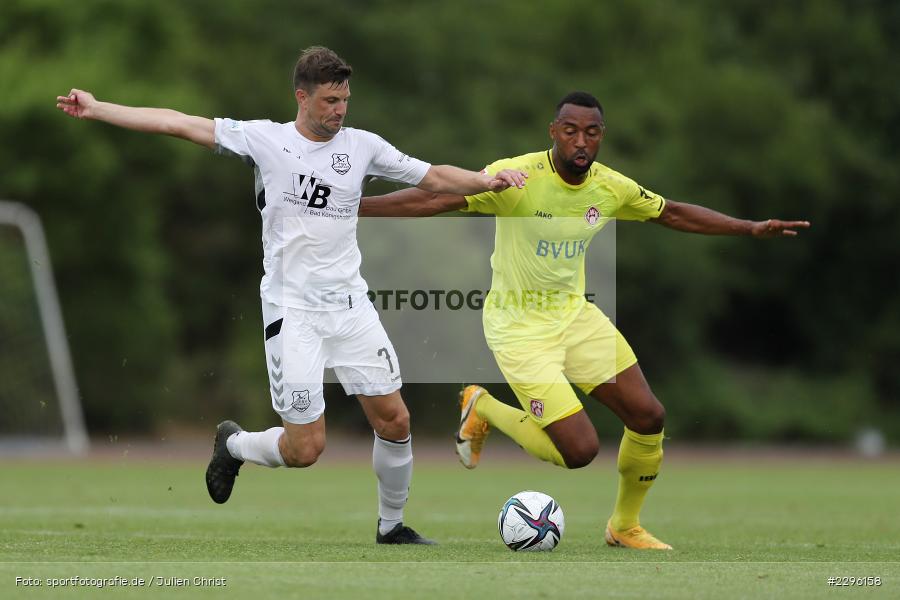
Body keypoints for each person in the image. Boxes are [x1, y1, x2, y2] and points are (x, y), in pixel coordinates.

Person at [55, 46, 525, 545]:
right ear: (301, 97)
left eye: (345, 100)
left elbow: (432, 176)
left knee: (395, 419)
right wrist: (99, 108)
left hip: (351, 308)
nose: (340, 110)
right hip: (292, 313)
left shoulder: (363, 146)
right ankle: (234, 445)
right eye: (329, 101)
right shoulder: (265, 139)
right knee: (305, 449)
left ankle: (392, 527)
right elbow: (177, 123)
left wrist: (484, 180)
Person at [359, 91, 809, 550]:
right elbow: (437, 199)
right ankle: (484, 407)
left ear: (601, 137)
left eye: (591, 133)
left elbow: (672, 212)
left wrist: (749, 227)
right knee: (579, 451)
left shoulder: (611, 187)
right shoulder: (516, 177)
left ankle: (624, 526)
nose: (580, 141)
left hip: (576, 317)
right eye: (570, 131)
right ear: (553, 132)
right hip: (519, 329)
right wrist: (356, 207)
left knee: (649, 416)